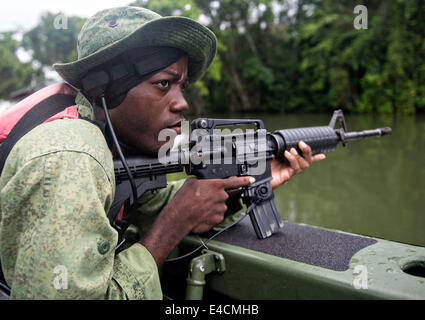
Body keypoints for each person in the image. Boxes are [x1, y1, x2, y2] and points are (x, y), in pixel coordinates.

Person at [0, 6, 325, 299]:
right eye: (163, 84)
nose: (183, 103)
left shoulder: (102, 129)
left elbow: (148, 206)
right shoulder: (72, 154)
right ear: (105, 88)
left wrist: (246, 181)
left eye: (182, 86)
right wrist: (172, 227)